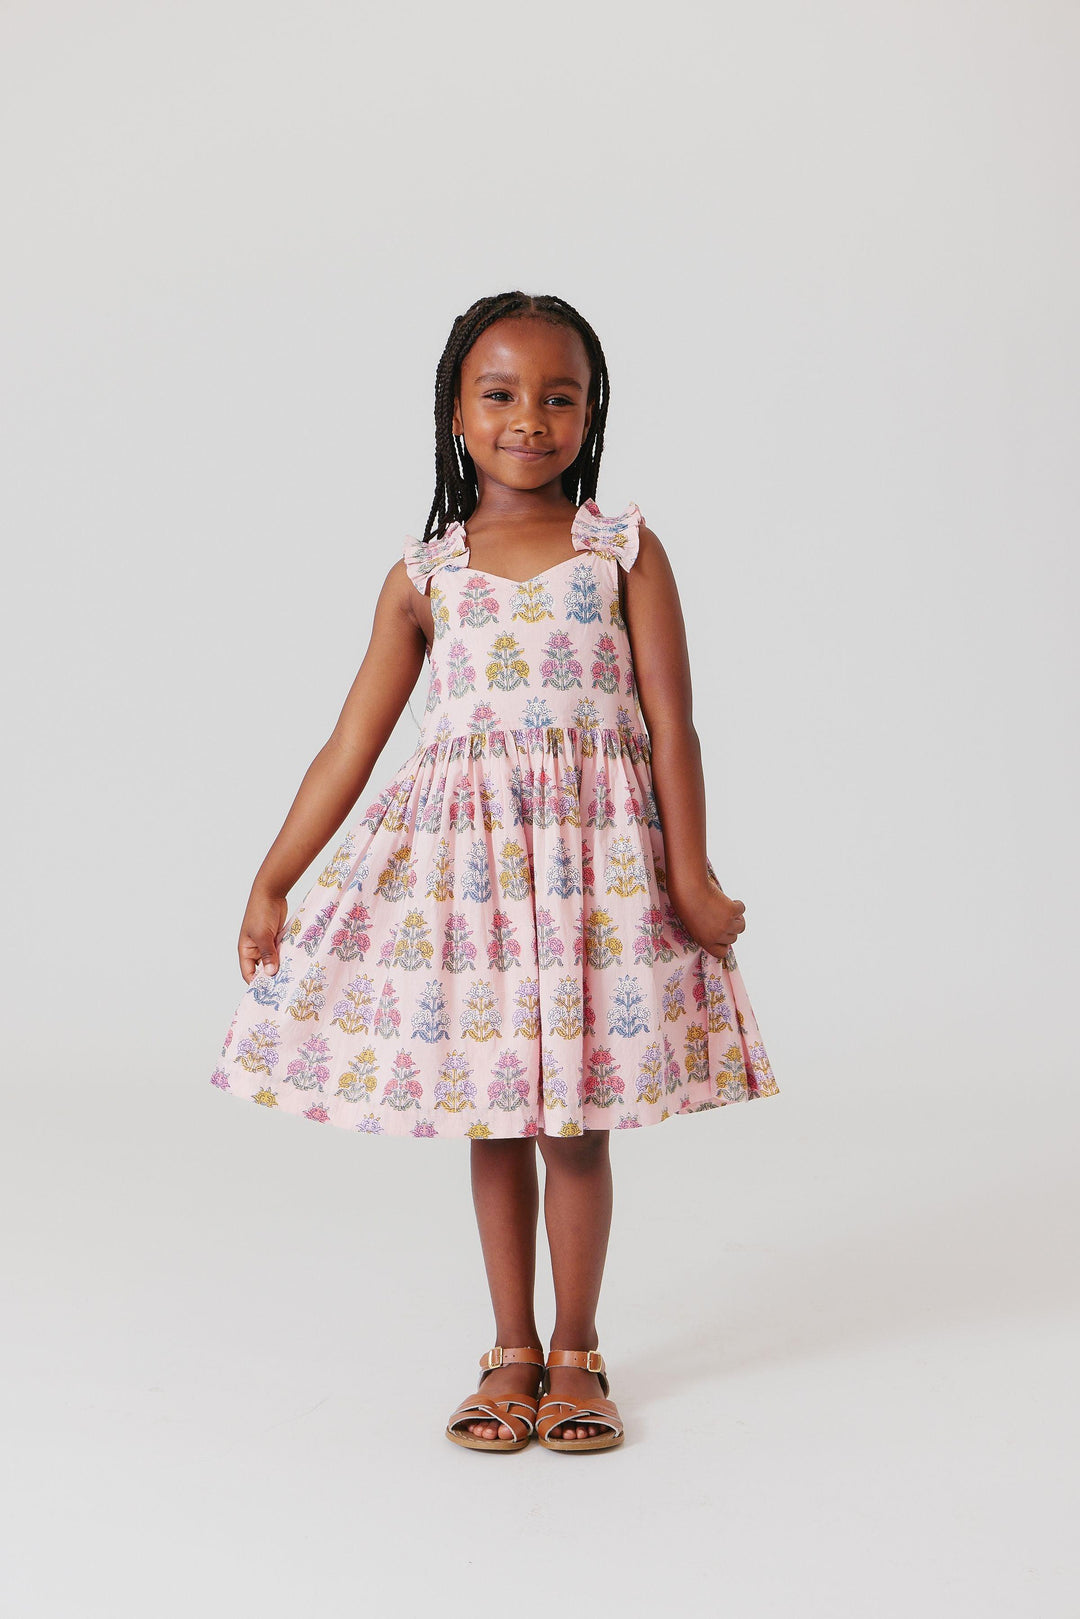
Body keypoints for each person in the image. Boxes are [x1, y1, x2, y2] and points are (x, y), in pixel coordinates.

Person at [209, 290, 780, 1454]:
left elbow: (674, 726)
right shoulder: (425, 576)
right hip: (469, 890)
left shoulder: (620, 550)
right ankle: (507, 1345)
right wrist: (274, 878)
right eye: (503, 393)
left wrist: (693, 874)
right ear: (457, 415)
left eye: (559, 395)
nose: (532, 416)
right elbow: (352, 740)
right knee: (495, 1118)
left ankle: (578, 1348)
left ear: (591, 411)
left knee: (575, 1121)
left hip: (591, 879)